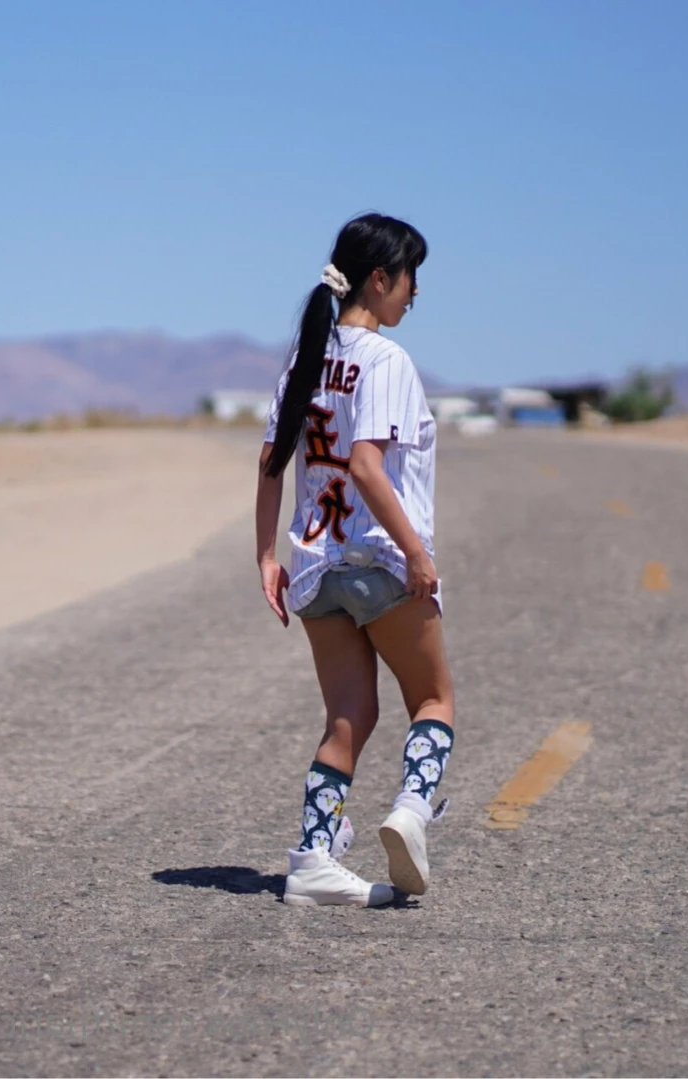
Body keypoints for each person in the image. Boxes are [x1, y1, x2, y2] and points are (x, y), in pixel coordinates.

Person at [256, 213, 455, 907]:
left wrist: (266, 557)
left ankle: (313, 858)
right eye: (410, 277)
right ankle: (412, 810)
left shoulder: (304, 357)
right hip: (377, 560)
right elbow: (368, 466)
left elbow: (271, 461)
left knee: (347, 717)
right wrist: (415, 555)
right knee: (432, 700)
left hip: (314, 568)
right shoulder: (386, 360)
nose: (414, 292)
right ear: (379, 278)